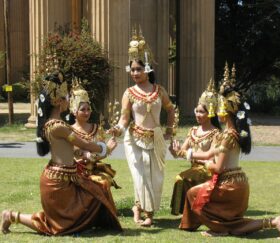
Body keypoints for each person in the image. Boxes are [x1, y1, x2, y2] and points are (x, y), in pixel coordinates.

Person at [173, 64, 280, 239]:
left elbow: (217, 167)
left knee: (192, 194)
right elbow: (209, 154)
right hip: (238, 183)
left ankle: (218, 228)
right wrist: (186, 154)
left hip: (229, 186)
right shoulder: (233, 134)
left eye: (218, 106)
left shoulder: (227, 136)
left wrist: (203, 163)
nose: (216, 110)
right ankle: (274, 221)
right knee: (234, 227)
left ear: (224, 112)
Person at [0, 72, 122, 235]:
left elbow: (73, 149)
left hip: (66, 177)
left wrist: (85, 154)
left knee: (95, 192)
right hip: (57, 181)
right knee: (56, 227)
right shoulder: (58, 126)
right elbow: (83, 143)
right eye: (65, 98)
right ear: (57, 101)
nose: (67, 101)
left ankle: (11, 216)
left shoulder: (58, 125)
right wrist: (105, 148)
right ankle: (11, 216)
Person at [109, 27, 175, 226]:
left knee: (155, 178)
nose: (135, 73)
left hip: (156, 138)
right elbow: (124, 118)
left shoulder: (159, 90)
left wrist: (169, 131)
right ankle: (148, 215)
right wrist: (117, 130)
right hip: (134, 139)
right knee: (140, 176)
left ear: (147, 69)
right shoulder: (128, 93)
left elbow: (171, 110)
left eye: (139, 69)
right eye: (132, 69)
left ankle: (138, 207)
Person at [168, 79, 220, 215]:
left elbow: (212, 156)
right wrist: (174, 150)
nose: (197, 114)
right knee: (180, 178)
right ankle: (184, 211)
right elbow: (181, 152)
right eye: (196, 111)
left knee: (182, 178)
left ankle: (190, 211)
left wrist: (188, 154)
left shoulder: (215, 133)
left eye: (201, 112)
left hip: (207, 171)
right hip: (194, 169)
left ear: (210, 113)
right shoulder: (193, 130)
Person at [69, 79, 121, 213]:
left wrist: (107, 149)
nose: (87, 112)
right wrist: (106, 149)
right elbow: (74, 154)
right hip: (76, 172)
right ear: (74, 111)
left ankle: (102, 213)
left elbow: (100, 154)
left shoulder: (97, 129)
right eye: (83, 110)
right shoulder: (68, 131)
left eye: (88, 109)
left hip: (93, 170)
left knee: (103, 181)